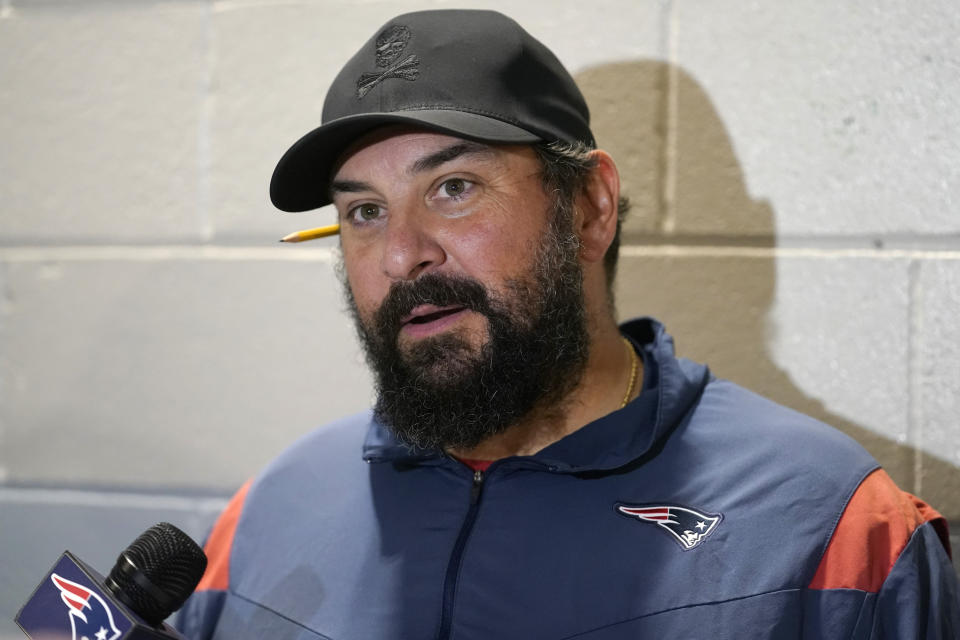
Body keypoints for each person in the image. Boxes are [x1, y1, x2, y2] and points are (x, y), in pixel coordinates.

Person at [177, 9, 959, 639]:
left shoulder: (833, 529)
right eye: (364, 212)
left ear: (589, 207)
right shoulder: (269, 509)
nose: (401, 256)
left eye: (453, 187)